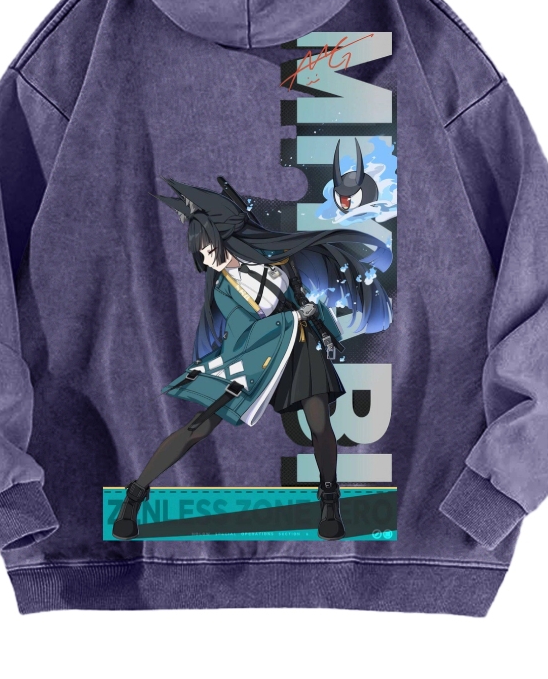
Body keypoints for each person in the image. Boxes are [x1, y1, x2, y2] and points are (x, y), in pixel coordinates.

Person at [112, 175, 393, 541]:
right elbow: (245, 334)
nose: (206, 260)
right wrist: (294, 316)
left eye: (207, 249)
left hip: (299, 346)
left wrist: (314, 316)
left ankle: (329, 499)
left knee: (319, 421)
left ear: (222, 236)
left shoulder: (280, 259)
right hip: (252, 355)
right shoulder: (224, 292)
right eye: (200, 255)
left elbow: (310, 292)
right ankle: (135, 494)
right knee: (200, 425)